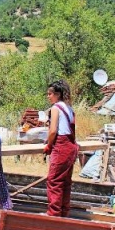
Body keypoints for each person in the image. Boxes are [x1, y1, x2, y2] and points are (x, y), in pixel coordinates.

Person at [43, 80, 78, 217]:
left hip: (61, 146)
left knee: (54, 181)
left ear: (57, 94)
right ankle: (64, 213)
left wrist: (49, 145)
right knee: (65, 182)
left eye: (50, 94)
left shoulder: (56, 108)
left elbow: (53, 131)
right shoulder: (69, 108)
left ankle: (54, 214)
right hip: (71, 146)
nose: (48, 96)